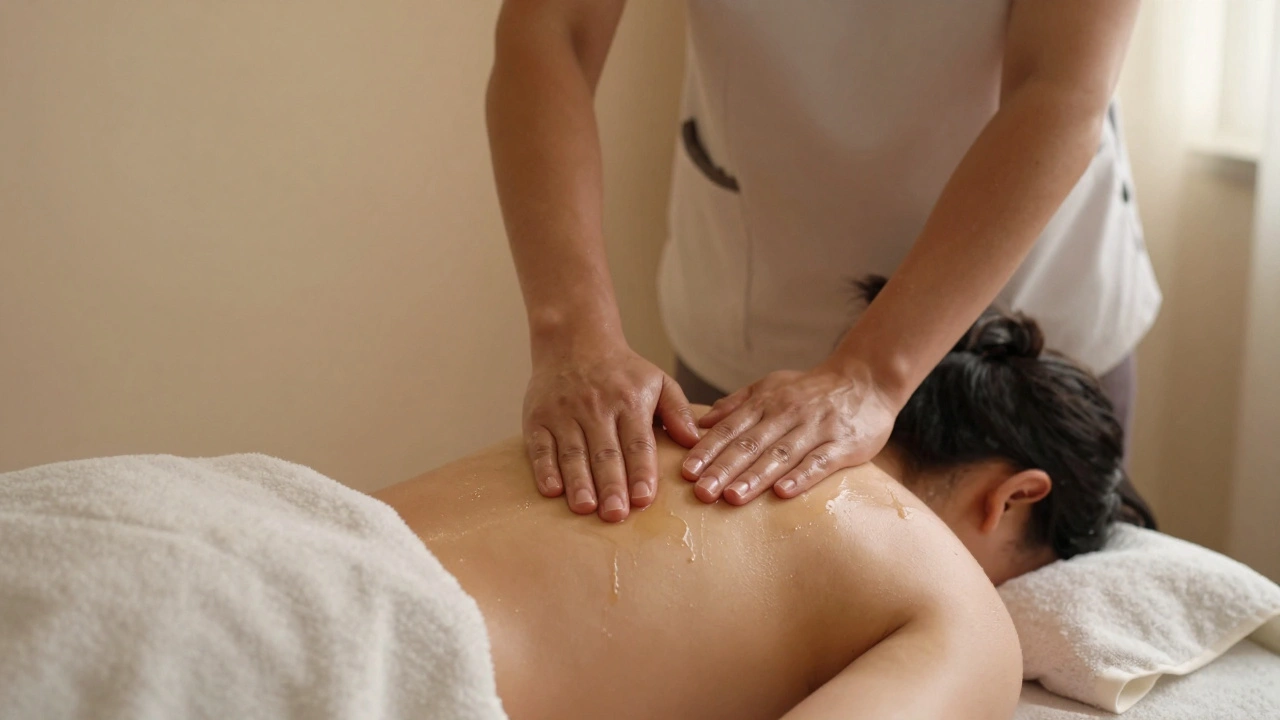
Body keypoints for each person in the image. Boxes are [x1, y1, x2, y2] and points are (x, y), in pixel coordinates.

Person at [485, 0, 1160, 527]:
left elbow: (1059, 86)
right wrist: (570, 334)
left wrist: (872, 373)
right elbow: (552, 31)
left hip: (1025, 313)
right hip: (758, 314)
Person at [374, 299, 1126, 719]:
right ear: (1014, 497)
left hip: (308, 534)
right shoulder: (957, 603)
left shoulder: (654, 421)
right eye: (1018, 574)